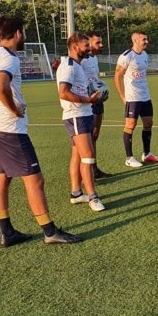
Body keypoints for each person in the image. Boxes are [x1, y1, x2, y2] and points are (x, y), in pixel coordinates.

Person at [0, 15, 83, 246]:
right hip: (9, 131)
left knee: (1, 178)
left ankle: (7, 232)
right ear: (18, 33)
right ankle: (50, 232)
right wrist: (12, 109)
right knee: (35, 180)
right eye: (24, 32)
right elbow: (1, 86)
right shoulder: (10, 58)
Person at [56, 33, 106, 212]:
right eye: (86, 45)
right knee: (88, 156)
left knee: (77, 155)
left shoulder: (77, 65)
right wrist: (88, 100)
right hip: (76, 115)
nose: (89, 48)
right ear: (75, 47)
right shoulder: (69, 66)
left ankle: (76, 193)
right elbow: (63, 92)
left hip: (82, 113)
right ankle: (93, 196)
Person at [114, 30, 158, 168]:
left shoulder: (145, 55)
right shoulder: (127, 56)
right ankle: (129, 158)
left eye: (146, 39)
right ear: (135, 41)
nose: (146, 42)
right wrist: (123, 96)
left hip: (145, 96)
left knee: (148, 123)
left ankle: (147, 154)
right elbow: (117, 76)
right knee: (130, 125)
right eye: (144, 40)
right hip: (132, 97)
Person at [82, 31, 113, 178]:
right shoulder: (81, 60)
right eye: (98, 43)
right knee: (85, 140)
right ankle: (85, 172)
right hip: (87, 103)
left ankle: (94, 169)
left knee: (94, 135)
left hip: (97, 101)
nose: (101, 45)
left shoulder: (93, 59)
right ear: (88, 44)